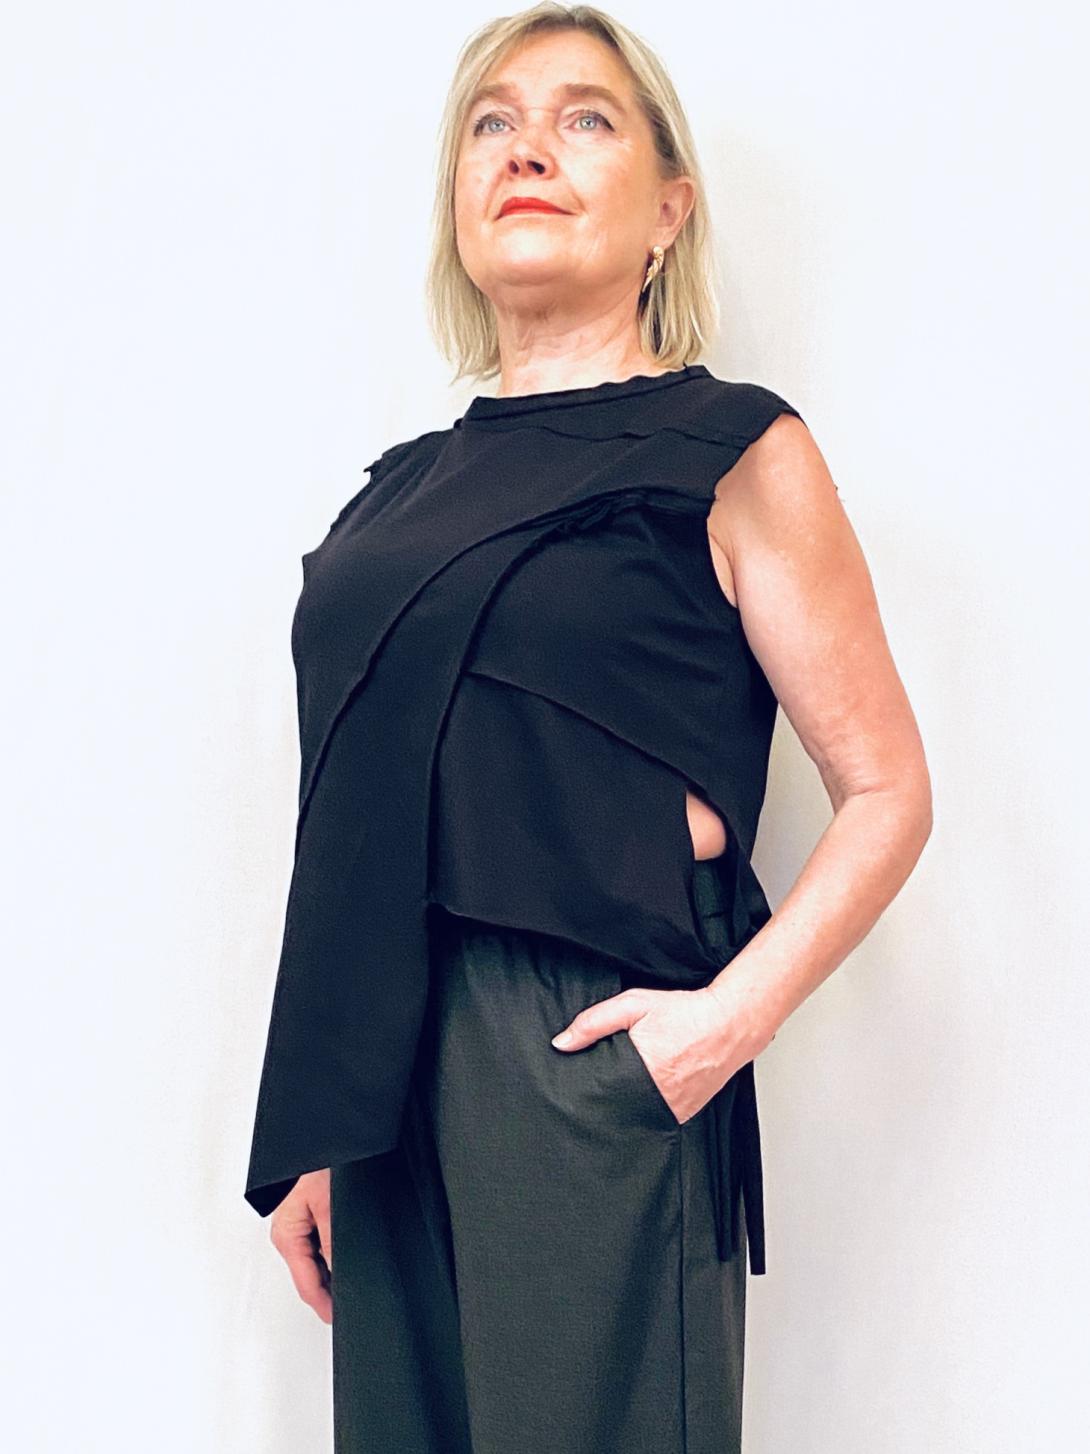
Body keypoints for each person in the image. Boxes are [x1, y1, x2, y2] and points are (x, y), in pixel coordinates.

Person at [243, 5, 933, 1451]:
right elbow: (356, 814)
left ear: (669, 211)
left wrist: (717, 1029)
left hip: (581, 1040)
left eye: (585, 118)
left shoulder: (730, 448)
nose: (527, 149)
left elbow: (886, 789)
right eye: (491, 123)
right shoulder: (393, 496)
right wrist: (319, 1112)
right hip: (382, 1062)